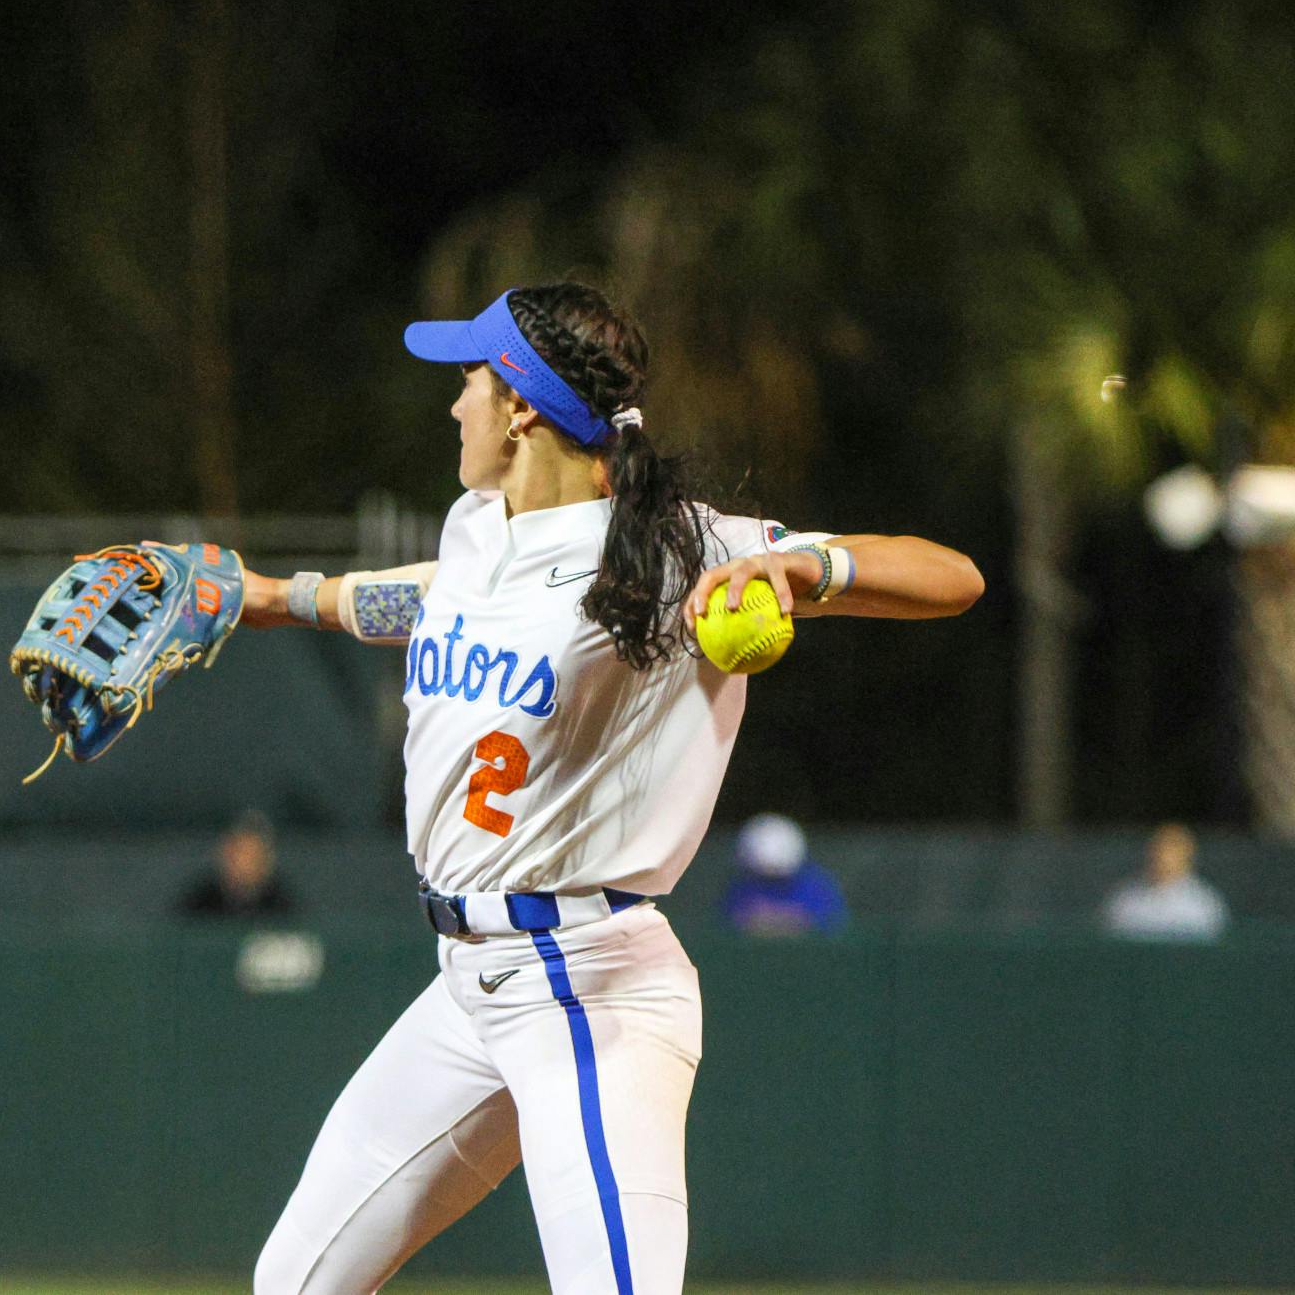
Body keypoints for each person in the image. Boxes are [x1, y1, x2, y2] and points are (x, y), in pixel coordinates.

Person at [233, 282, 982, 1294]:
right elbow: (439, 597)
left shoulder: (674, 548)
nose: (452, 402)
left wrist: (804, 567)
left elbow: (953, 577)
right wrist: (278, 599)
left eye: (467, 378)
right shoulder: (475, 528)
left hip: (588, 985)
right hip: (466, 986)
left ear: (519, 405)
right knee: (293, 1283)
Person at [720, 812, 847, 937]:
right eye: (765, 877)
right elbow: (731, 921)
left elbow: (829, 923)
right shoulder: (742, 886)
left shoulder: (817, 887)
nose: (771, 883)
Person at [1101, 821, 1230, 943]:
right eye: (1157, 848)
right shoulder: (1124, 900)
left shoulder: (1205, 905)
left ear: (1188, 855)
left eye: (1172, 849)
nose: (1162, 856)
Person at [176, 810, 298, 919]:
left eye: (248, 855)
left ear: (264, 862)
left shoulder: (281, 907)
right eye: (233, 852)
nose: (237, 861)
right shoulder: (200, 903)